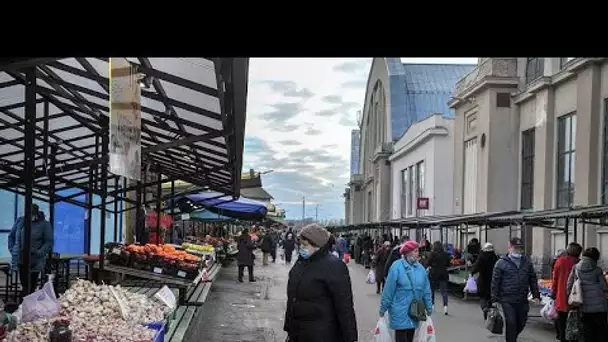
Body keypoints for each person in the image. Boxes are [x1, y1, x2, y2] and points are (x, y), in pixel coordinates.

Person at [284, 224, 358, 342]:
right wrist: (289, 327)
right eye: (300, 244)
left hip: (321, 334)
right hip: (297, 331)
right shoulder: (301, 262)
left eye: (305, 244)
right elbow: (293, 297)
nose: (301, 247)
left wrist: (350, 338)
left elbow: (344, 306)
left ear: (317, 244)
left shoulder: (334, 266)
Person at [379, 241, 433, 342]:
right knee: (401, 337)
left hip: (414, 311)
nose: (418, 254)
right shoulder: (396, 267)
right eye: (415, 251)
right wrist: (383, 308)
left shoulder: (421, 269)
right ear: (408, 253)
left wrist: (429, 307)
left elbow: (426, 290)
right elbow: (388, 290)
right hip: (399, 311)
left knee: (410, 337)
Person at [491, 237, 540, 342]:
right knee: (511, 322)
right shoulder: (501, 263)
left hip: (522, 298)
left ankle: (512, 337)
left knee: (521, 322)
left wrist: (536, 296)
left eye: (519, 248)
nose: (517, 251)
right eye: (515, 248)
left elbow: (532, 279)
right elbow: (495, 283)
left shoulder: (527, 262)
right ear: (509, 248)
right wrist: (494, 299)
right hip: (507, 299)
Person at [8, 204, 53, 296]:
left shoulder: (44, 224)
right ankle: (24, 304)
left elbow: (49, 242)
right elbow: (11, 236)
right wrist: (12, 249)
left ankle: (29, 303)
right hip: (20, 258)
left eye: (32, 214)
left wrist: (39, 252)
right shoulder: (20, 221)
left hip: (35, 260)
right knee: (24, 283)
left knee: (31, 285)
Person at [567, 247, 608, 342]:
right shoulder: (597, 270)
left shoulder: (575, 268)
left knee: (587, 331)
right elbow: (604, 287)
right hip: (600, 306)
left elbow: (569, 285)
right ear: (596, 258)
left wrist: (571, 299)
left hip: (583, 306)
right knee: (601, 332)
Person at [551, 242, 582, 342]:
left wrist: (553, 293)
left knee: (562, 321)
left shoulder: (560, 261)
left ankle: (562, 337)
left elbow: (555, 279)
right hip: (577, 297)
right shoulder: (580, 263)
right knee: (575, 322)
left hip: (562, 296)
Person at [470, 242, 499, 320]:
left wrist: (472, 272)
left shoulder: (481, 257)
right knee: (490, 296)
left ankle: (484, 308)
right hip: (493, 281)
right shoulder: (495, 258)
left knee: (482, 297)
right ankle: (489, 310)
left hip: (483, 280)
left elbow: (475, 267)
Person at [425, 241, 450, 315]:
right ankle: (445, 307)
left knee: (431, 291)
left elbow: (427, 263)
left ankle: (432, 306)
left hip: (433, 274)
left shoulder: (432, 254)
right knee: (444, 292)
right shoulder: (445, 254)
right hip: (443, 274)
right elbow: (448, 263)